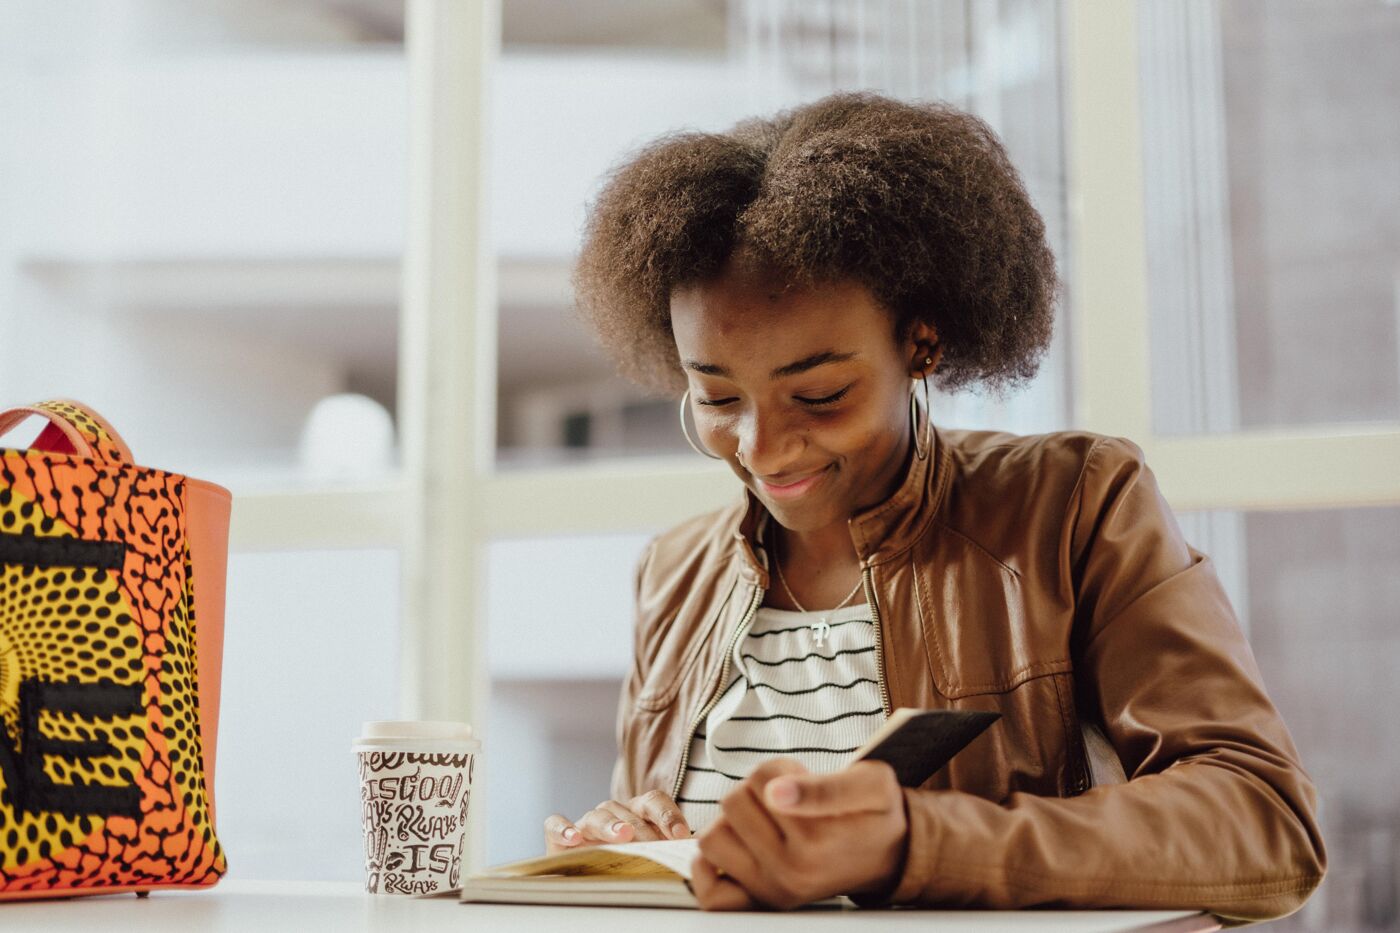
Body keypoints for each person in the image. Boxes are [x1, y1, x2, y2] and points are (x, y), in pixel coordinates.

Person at [541, 92, 1325, 922]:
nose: (763, 448)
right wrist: (635, 843)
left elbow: (1264, 822)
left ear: (922, 342)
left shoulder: (1072, 507)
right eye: (717, 396)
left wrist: (916, 843)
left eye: (820, 394)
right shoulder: (677, 572)